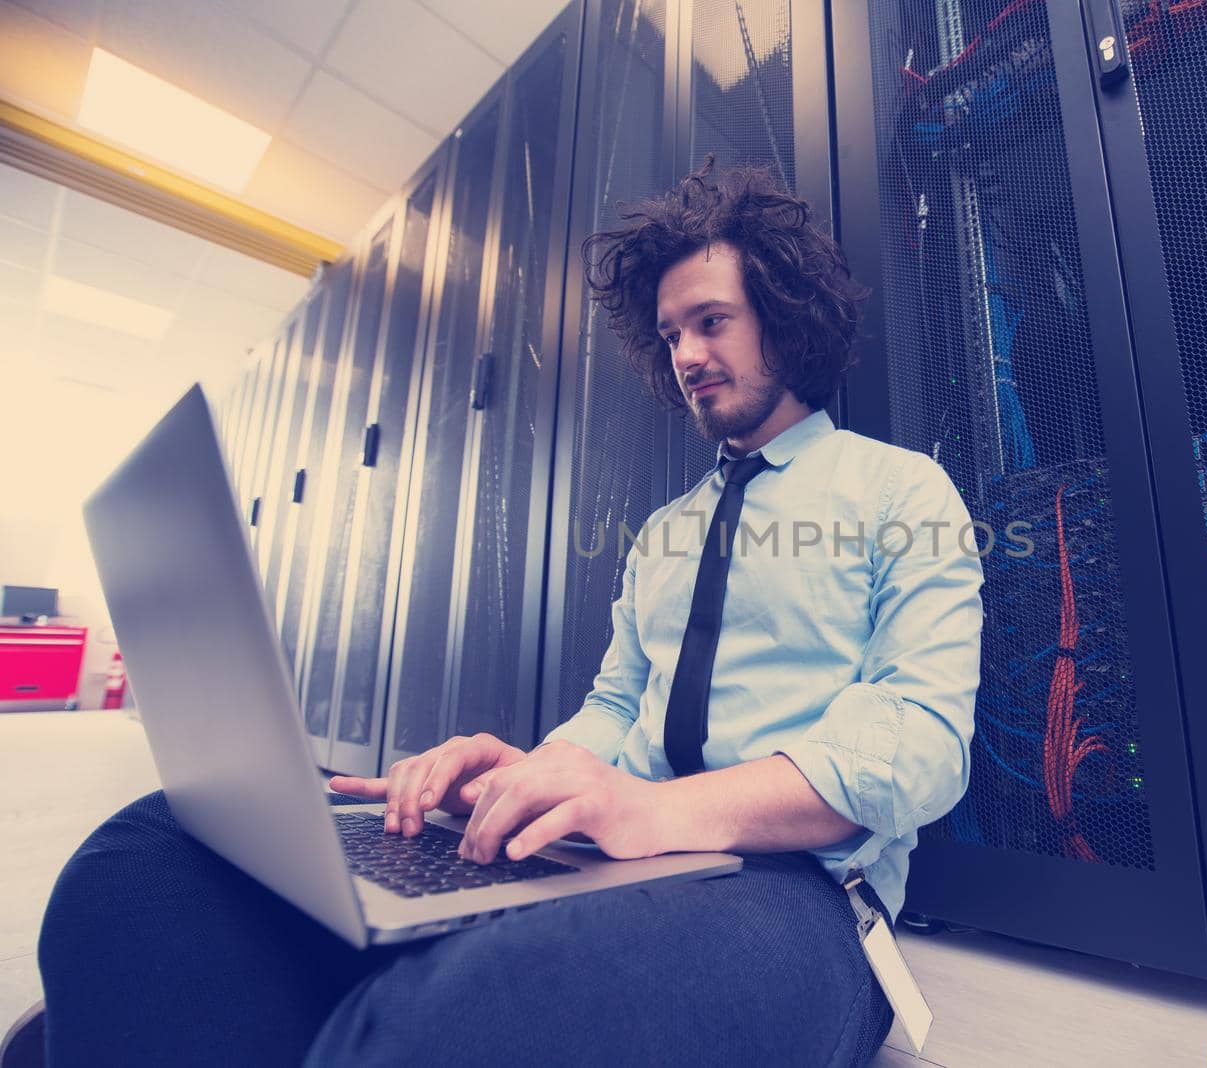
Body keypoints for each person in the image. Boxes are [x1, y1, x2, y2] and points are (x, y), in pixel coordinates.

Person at [31, 162, 983, 1067]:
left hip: (800, 894)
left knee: (461, 1022)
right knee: (146, 858)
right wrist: (526, 778)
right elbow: (616, 708)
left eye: (711, 321)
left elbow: (921, 745)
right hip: (610, 857)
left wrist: (655, 812)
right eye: (670, 334)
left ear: (784, 317)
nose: (687, 354)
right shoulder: (665, 533)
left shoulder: (900, 492)